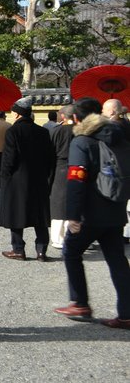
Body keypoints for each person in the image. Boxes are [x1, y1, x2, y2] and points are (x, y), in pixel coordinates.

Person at [54, 97, 130, 329]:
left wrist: (73, 216)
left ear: (76, 118)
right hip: (116, 208)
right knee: (117, 260)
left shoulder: (82, 142)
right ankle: (127, 312)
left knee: (71, 251)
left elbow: (76, 181)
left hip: (90, 213)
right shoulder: (121, 136)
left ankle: (80, 302)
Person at [0, 97, 56, 261]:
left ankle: (18, 249)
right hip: (39, 179)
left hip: (17, 179)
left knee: (16, 213)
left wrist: (5, 177)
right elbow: (50, 158)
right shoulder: (43, 132)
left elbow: (9, 159)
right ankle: (41, 251)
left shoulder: (13, 132)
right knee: (40, 215)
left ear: (17, 114)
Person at [49, 105, 75, 250]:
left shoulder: (57, 131)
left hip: (60, 167)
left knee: (58, 202)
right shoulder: (80, 130)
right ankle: (74, 234)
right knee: (75, 200)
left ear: (64, 116)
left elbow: (50, 152)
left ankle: (58, 238)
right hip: (77, 168)